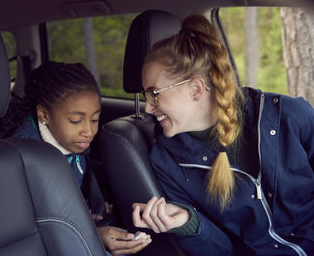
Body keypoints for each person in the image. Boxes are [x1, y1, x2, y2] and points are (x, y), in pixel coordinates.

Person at [131, 14, 314, 255]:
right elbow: (221, 250)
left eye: (154, 94)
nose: (148, 107)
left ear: (196, 89)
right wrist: (189, 222)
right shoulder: (166, 162)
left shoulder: (288, 116)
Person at [2, 61, 151, 255]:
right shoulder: (22, 159)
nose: (89, 131)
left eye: (95, 119)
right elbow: (31, 230)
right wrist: (93, 234)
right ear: (44, 114)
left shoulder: (69, 140)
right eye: (75, 121)